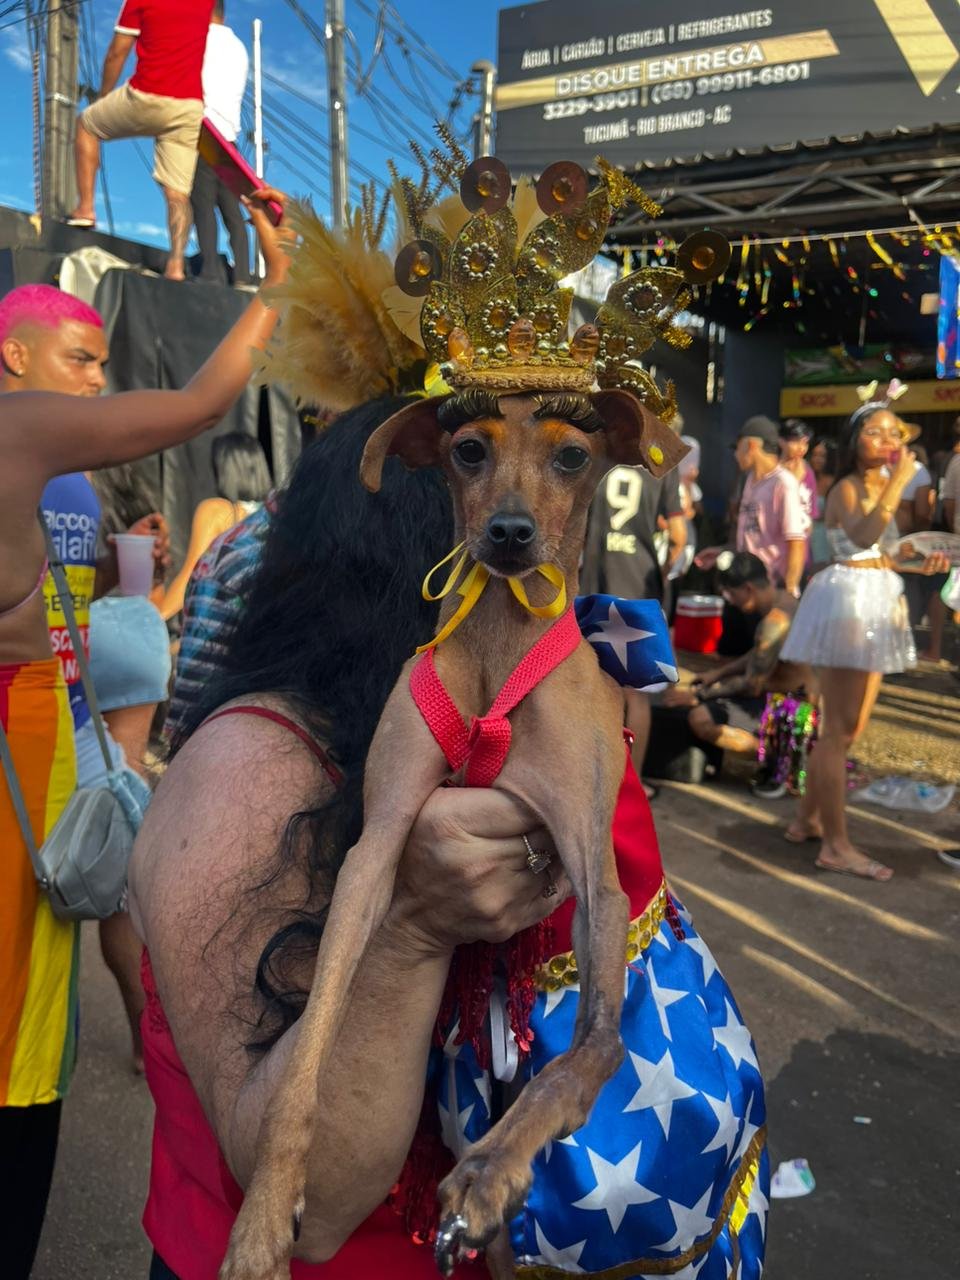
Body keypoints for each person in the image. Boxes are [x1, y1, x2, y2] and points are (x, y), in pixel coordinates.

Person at [129, 160, 766, 1280]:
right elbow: (308, 1218)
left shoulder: (543, 682)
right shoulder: (245, 771)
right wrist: (416, 922)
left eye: (556, 464)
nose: (516, 516)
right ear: (409, 508)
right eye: (472, 462)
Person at [0, 191, 288, 1277]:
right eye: (76, 358)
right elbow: (202, 401)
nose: (94, 379)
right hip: (19, 784)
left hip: (42, 747)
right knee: (20, 1056)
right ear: (13, 353)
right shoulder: (19, 426)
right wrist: (275, 288)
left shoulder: (49, 468)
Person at [779, 397, 950, 881]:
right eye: (877, 432)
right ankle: (835, 846)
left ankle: (806, 819)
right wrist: (901, 480)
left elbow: (886, 553)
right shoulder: (850, 488)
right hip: (850, 604)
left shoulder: (878, 485)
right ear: (855, 442)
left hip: (875, 596)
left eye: (896, 433)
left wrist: (926, 561)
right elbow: (859, 537)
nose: (890, 442)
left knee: (846, 731)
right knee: (837, 731)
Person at [68, 0, 215, 281]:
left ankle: (85, 208)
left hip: (147, 95)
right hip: (188, 106)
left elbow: (116, 52)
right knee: (177, 193)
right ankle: (175, 266)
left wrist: (105, 97)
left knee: (86, 124)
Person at [660, 553, 813, 790]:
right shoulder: (786, 601)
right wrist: (717, 674)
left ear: (748, 588)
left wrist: (699, 695)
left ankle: (782, 754)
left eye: (731, 593)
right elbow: (761, 654)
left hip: (790, 709)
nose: (730, 600)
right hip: (794, 697)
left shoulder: (773, 623)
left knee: (699, 718)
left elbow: (752, 684)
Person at [158, 432, 272, 621]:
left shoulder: (217, 511)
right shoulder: (275, 513)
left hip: (225, 627)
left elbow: (191, 573)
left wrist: (154, 619)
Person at [191, 2, 252, 286]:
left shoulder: (199, 41)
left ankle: (210, 271)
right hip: (230, 138)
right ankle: (242, 275)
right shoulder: (239, 48)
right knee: (232, 212)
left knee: (203, 205)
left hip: (204, 132)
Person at [779, 418, 817, 546]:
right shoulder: (773, 471)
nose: (801, 448)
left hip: (802, 538)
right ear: (781, 441)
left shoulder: (808, 471)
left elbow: (811, 510)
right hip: (777, 537)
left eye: (805, 443)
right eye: (795, 442)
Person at [808, 435, 837, 566]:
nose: (817, 460)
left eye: (822, 456)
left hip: (825, 537)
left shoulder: (833, 483)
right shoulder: (806, 479)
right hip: (806, 537)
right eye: (814, 455)